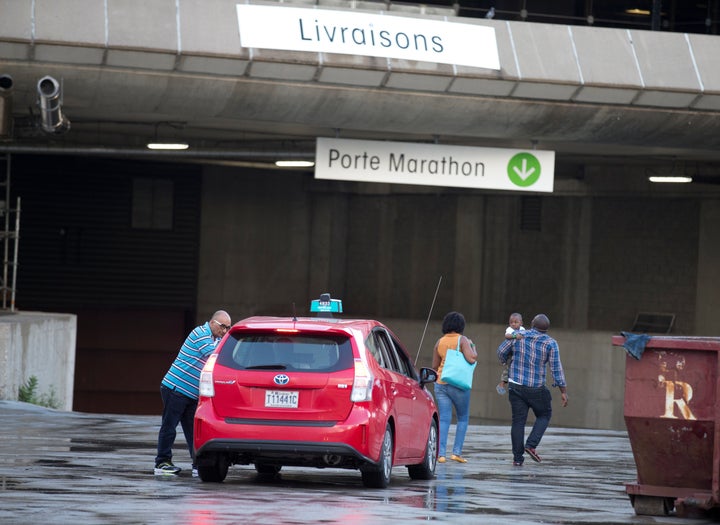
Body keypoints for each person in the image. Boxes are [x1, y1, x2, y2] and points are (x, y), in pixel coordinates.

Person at [154, 309, 232, 476]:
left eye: (228, 328)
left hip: (191, 394)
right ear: (212, 323)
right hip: (175, 388)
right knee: (169, 427)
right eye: (222, 326)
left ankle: (198, 464)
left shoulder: (214, 339)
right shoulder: (200, 333)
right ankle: (161, 463)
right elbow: (214, 356)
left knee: (193, 432)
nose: (224, 331)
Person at [496, 313, 568, 466]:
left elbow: (501, 351)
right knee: (545, 414)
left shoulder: (519, 335)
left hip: (515, 385)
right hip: (536, 388)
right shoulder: (551, 343)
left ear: (532, 324)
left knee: (518, 421)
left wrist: (506, 361)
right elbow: (556, 369)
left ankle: (517, 459)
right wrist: (563, 391)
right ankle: (531, 445)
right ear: (547, 329)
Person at [431, 311, 477, 464]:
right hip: (459, 384)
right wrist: (472, 346)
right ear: (461, 326)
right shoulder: (462, 340)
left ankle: (441, 454)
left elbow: (434, 366)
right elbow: (471, 359)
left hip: (441, 383)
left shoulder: (439, 341)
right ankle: (456, 453)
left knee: (444, 419)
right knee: (462, 418)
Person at [497, 313, 525, 395]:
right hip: (510, 354)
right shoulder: (510, 330)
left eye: (516, 322)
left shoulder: (523, 329)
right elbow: (507, 336)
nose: (513, 324)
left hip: (519, 354)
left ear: (521, 323)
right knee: (507, 370)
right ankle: (501, 385)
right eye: (511, 322)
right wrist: (515, 336)